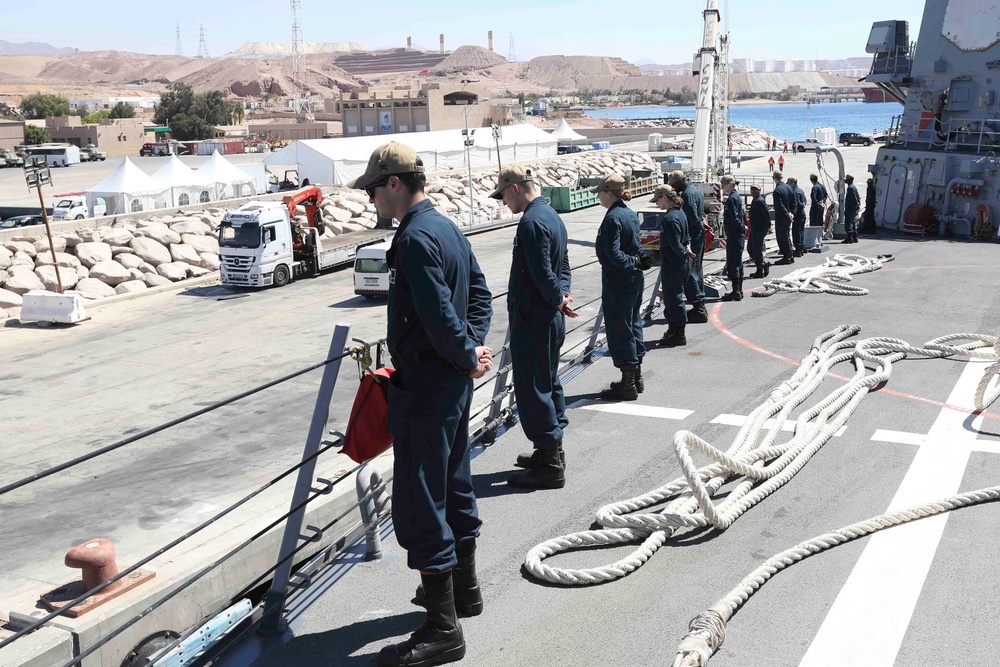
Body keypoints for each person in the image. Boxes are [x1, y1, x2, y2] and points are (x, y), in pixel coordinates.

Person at [349, 142, 494, 667]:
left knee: (421, 497)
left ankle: (442, 628)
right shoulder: (449, 228)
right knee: (455, 481)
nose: (371, 201)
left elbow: (435, 316)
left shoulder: (412, 239)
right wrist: (473, 352)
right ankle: (465, 593)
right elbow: (479, 293)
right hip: (454, 383)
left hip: (428, 386)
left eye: (373, 190)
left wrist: (462, 351)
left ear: (393, 184)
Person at [488, 164, 576, 490]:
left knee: (533, 388)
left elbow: (540, 272)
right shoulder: (553, 216)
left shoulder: (531, 222)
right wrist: (563, 296)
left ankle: (550, 466)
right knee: (549, 381)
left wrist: (556, 298)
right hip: (550, 317)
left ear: (514, 188)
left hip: (534, 319)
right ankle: (550, 451)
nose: (504, 204)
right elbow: (562, 265)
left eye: (503, 196)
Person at [593, 173, 646, 400]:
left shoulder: (613, 218)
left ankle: (627, 384)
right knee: (634, 324)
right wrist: (635, 261)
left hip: (619, 280)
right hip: (634, 279)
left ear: (608, 193)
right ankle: (636, 377)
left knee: (620, 328)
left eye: (600, 193)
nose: (599, 197)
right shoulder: (629, 214)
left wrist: (630, 261)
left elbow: (613, 253)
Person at [651, 184, 693, 347]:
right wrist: (687, 250)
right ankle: (673, 330)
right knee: (672, 297)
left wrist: (684, 252)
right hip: (678, 264)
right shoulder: (680, 214)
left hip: (673, 264)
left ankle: (679, 335)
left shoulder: (669, 219)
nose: (656, 204)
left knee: (674, 298)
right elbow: (685, 237)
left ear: (664, 197)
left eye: (657, 200)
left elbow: (675, 244)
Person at [667, 170, 708, 324]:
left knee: (691, 272)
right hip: (698, 235)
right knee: (697, 270)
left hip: (694, 236)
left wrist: (698, 226)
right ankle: (700, 304)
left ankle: (699, 308)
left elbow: (691, 216)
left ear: (678, 181)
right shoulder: (695, 191)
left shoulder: (686, 195)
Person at [719, 175, 746, 302]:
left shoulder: (732, 199)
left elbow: (735, 218)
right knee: (738, 262)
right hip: (737, 235)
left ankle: (736, 291)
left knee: (733, 262)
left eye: (723, 184)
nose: (722, 187)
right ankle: (739, 289)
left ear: (730, 184)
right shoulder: (736, 196)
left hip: (734, 235)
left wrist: (741, 228)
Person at [771, 170, 795, 265]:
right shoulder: (789, 188)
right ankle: (790, 255)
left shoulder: (777, 190)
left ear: (774, 178)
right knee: (787, 235)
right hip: (789, 216)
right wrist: (791, 212)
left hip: (781, 217)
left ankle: (786, 256)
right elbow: (794, 202)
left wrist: (786, 213)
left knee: (781, 237)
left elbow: (779, 205)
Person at [747, 185, 771, 278]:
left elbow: (766, 214)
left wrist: (768, 226)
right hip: (755, 227)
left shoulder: (760, 201)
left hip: (760, 228)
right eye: (752, 190)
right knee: (750, 248)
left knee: (757, 248)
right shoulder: (754, 200)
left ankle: (760, 270)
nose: (753, 191)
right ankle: (762, 263)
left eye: (755, 190)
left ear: (759, 191)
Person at [787, 176, 808, 256]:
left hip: (798, 214)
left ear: (793, 183)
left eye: (789, 183)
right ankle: (801, 247)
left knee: (796, 231)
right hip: (802, 213)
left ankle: (798, 249)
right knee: (801, 230)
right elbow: (804, 201)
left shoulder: (795, 192)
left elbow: (797, 204)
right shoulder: (801, 190)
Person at [844, 174, 861, 243]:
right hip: (853, 207)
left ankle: (849, 238)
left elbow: (854, 198)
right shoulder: (854, 187)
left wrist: (855, 204)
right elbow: (857, 197)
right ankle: (855, 237)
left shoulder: (850, 188)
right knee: (853, 221)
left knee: (849, 221)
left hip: (850, 207)